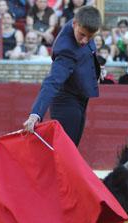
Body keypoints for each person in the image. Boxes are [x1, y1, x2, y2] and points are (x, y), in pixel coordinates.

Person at [22, 6, 102, 146]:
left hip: (79, 96)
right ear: (74, 24)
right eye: (82, 35)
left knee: (70, 149)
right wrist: (36, 114)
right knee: (66, 151)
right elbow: (52, 82)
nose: (85, 40)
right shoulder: (66, 50)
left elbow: (87, 53)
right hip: (66, 100)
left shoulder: (84, 21)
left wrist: (97, 71)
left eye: (90, 37)